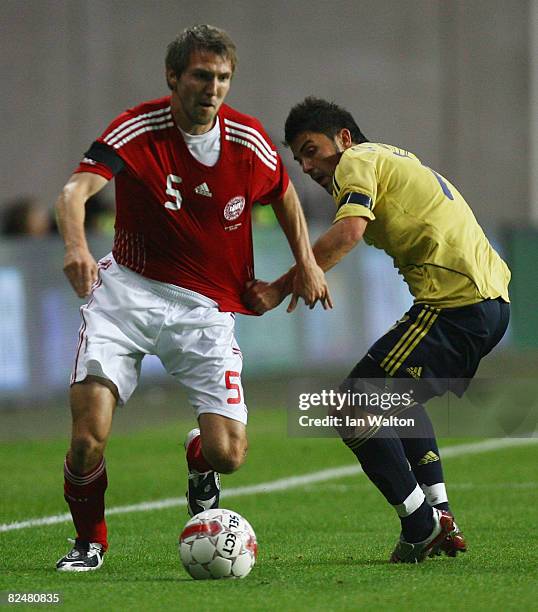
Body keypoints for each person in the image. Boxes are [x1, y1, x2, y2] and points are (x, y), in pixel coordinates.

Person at [54, 28, 330, 572]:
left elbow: (285, 194)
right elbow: (74, 192)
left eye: (223, 77)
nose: (214, 88)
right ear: (174, 77)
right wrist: (75, 246)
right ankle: (89, 543)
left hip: (204, 311)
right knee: (88, 440)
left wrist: (308, 263)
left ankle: (197, 460)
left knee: (229, 454)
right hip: (125, 296)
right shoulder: (138, 129)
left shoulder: (247, 141)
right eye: (202, 76)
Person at [245, 97, 510, 563]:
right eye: (299, 158)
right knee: (397, 398)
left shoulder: (358, 160)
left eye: (311, 150)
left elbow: (348, 232)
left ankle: (420, 525)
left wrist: (290, 280)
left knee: (352, 404)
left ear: (343, 138)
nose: (307, 166)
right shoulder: (389, 157)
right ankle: (439, 514)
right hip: (487, 302)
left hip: (458, 305)